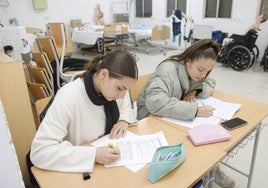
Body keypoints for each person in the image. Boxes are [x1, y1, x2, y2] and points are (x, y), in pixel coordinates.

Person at [136, 39, 235, 188]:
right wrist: (195, 110)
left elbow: (210, 82)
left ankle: (210, 169)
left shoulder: (194, 72)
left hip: (171, 115)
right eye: (201, 69)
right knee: (192, 142)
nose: (203, 75)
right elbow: (155, 103)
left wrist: (195, 90)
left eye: (207, 70)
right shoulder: (167, 70)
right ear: (188, 61)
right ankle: (205, 172)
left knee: (202, 137)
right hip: (150, 118)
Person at [30, 49, 138, 174]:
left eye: (126, 90)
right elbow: (40, 152)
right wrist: (93, 155)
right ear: (103, 75)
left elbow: (126, 107)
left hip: (106, 167)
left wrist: (124, 120)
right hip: (75, 169)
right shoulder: (69, 97)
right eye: (120, 88)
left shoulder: (110, 91)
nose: (122, 96)